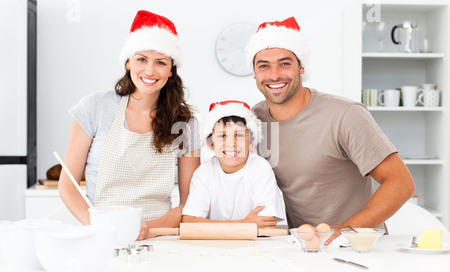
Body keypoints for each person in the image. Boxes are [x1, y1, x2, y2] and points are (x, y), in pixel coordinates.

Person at [245, 17, 415, 243]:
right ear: (255, 74)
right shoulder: (254, 119)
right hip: (303, 248)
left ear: (301, 68)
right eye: (264, 66)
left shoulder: (345, 115)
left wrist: (345, 231)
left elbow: (401, 183)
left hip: (358, 246)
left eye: (285, 63)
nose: (274, 74)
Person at [58, 10, 200, 240]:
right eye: (141, 59)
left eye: (161, 62)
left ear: (171, 71)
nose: (150, 71)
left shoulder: (185, 123)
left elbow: (191, 203)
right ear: (128, 62)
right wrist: (100, 227)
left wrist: (148, 230)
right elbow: (68, 186)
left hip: (162, 237)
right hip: (102, 234)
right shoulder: (94, 108)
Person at [182, 100, 284, 228]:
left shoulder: (260, 168)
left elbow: (266, 223)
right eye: (222, 136)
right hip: (212, 247)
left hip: (254, 245)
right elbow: (189, 222)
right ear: (211, 143)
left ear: (251, 142)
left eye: (239, 135)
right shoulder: (204, 173)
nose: (231, 143)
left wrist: (211, 227)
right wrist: (243, 224)